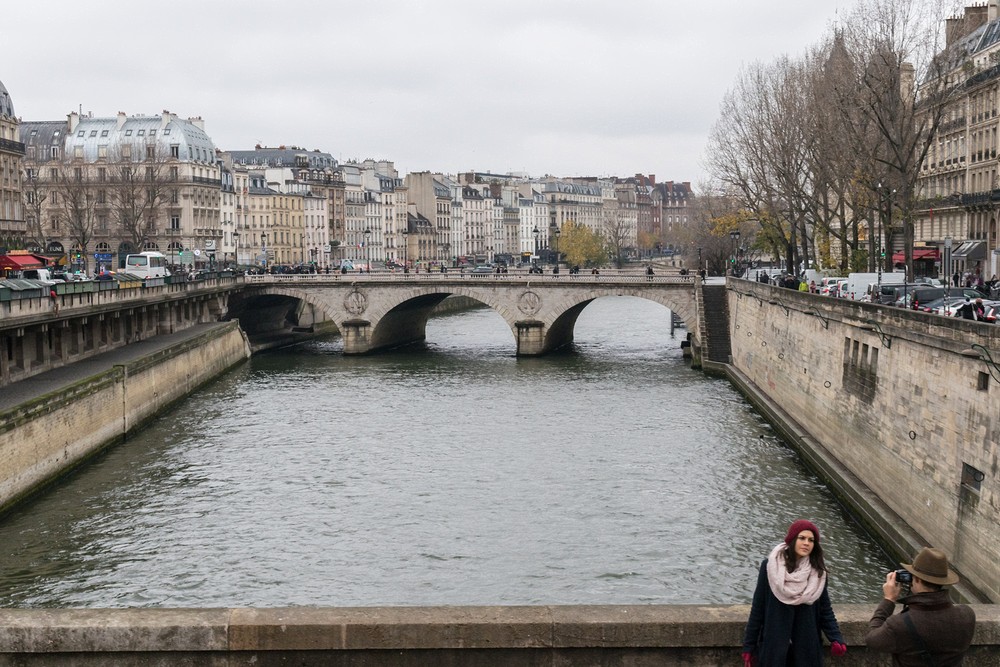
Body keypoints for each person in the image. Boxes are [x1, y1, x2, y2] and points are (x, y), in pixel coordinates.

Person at [742, 520, 846, 666]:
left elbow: (825, 610)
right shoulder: (770, 567)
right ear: (792, 539)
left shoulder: (818, 572)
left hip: (806, 648)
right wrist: (749, 646)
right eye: (802, 538)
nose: (806, 543)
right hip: (774, 647)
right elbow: (758, 608)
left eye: (811, 540)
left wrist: (836, 638)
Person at [865, 547, 975, 666]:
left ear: (916, 579)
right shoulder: (967, 615)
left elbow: (872, 639)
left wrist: (888, 600)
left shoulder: (900, 624)